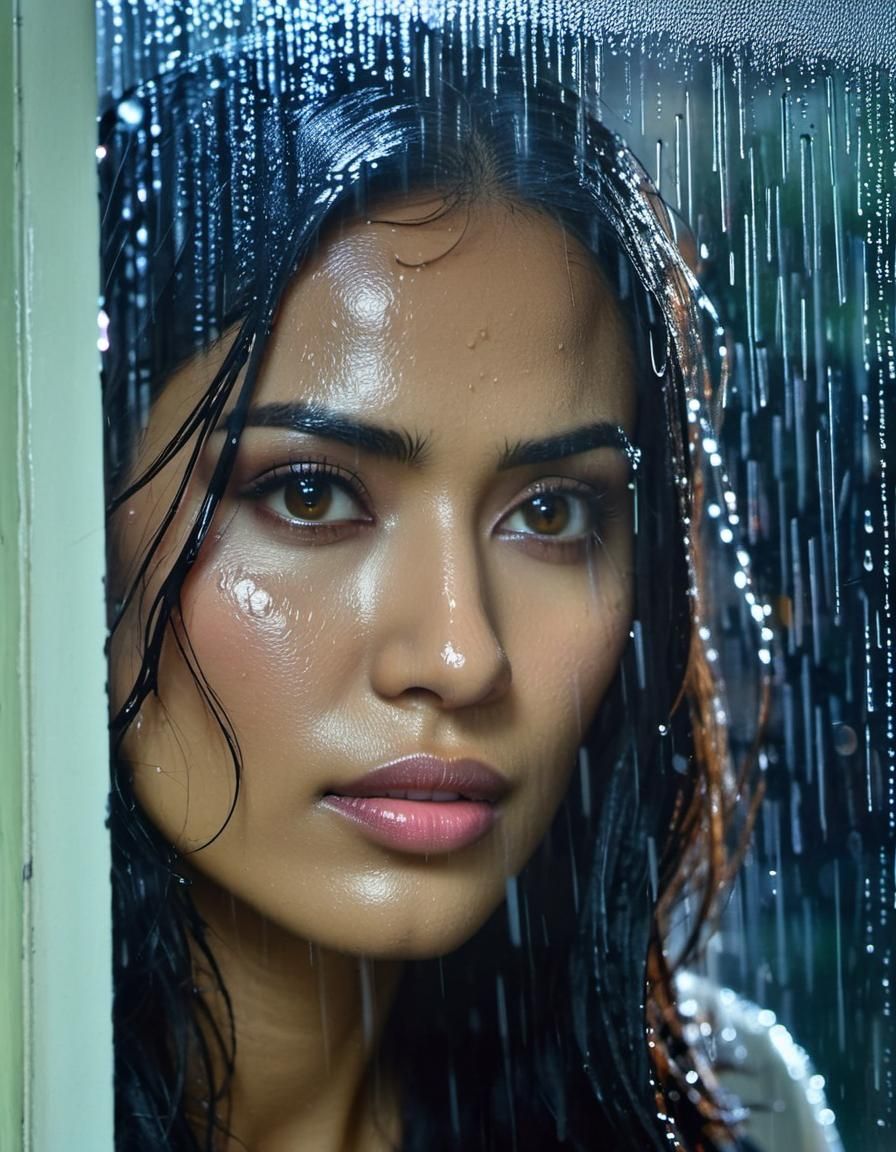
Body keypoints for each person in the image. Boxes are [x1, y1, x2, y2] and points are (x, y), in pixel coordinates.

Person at [99, 21, 776, 1152]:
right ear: (71, 521)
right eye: (308, 495)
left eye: (549, 514)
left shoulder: (732, 1107)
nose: (461, 657)